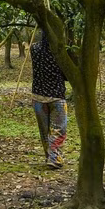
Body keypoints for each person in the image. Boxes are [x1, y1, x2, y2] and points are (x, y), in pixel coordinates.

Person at [30, 29, 69, 169]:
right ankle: (54, 158)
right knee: (59, 129)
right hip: (56, 96)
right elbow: (67, 73)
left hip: (38, 96)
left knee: (44, 130)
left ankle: (50, 156)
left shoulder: (34, 49)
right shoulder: (59, 51)